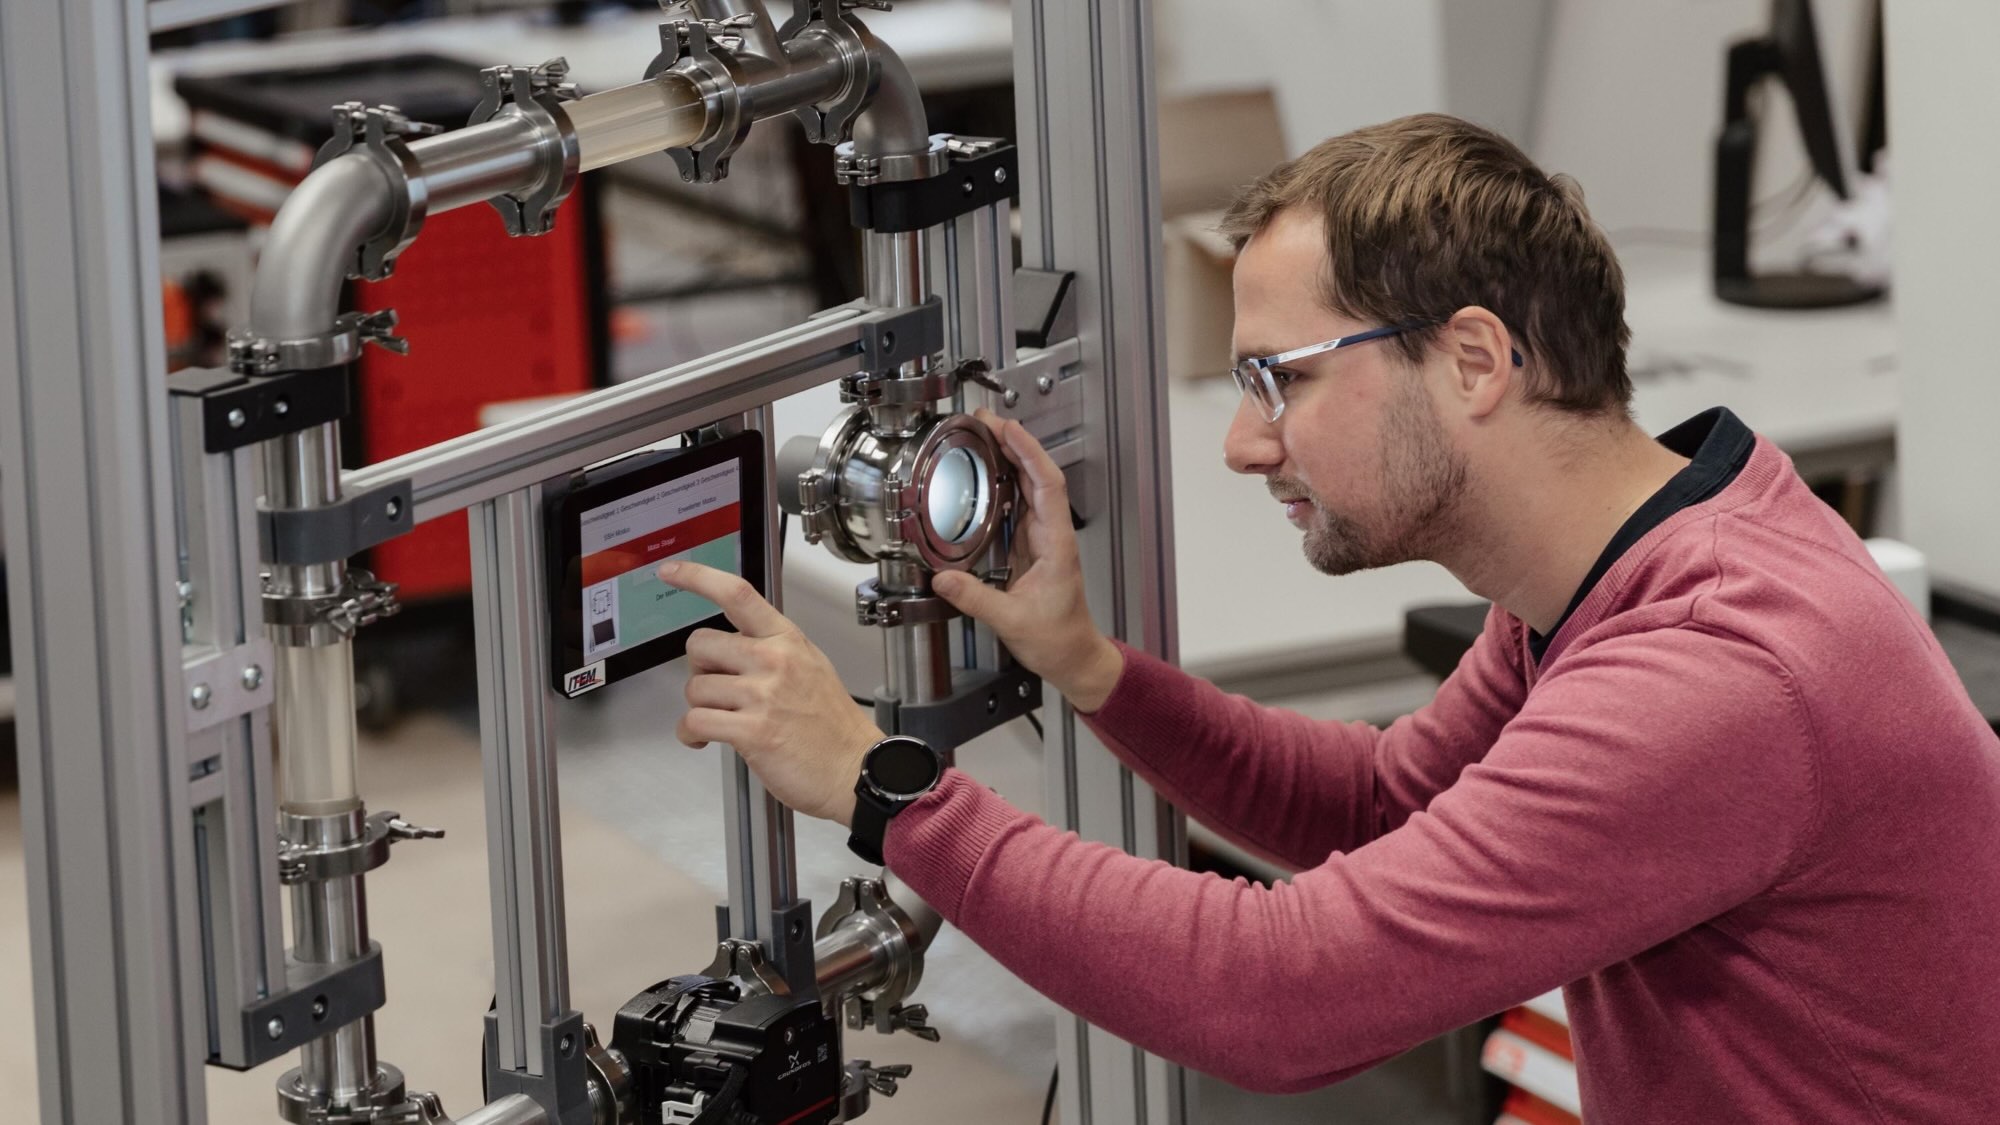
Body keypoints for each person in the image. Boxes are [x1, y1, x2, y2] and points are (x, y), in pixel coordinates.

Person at [655, 113, 2000, 1121]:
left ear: (1474, 358)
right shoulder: (1634, 553)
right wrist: (1090, 665)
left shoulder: (1719, 670)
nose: (1246, 442)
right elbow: (1392, 802)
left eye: (1276, 378)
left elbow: (1284, 995)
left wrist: (884, 789)